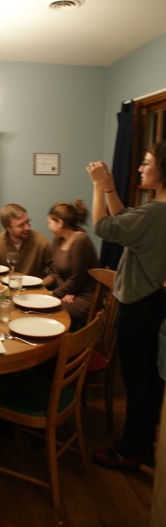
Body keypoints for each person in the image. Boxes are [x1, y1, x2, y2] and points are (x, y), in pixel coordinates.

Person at [86, 142, 166, 470]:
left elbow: (103, 227)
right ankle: (142, 443)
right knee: (150, 379)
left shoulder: (154, 211)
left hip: (139, 306)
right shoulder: (154, 210)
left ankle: (129, 451)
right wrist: (110, 188)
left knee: (137, 381)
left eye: (147, 163)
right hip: (156, 302)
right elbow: (122, 219)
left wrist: (97, 187)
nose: (141, 168)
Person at [45, 199, 99, 329]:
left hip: (86, 296)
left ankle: (63, 341)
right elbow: (57, 273)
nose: (48, 226)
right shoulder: (57, 240)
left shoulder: (81, 240)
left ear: (60, 223)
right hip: (70, 293)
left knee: (48, 310)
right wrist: (64, 293)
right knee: (44, 307)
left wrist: (54, 294)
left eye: (50, 222)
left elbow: (77, 279)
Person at [0, 203, 53, 285]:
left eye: (27, 222)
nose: (27, 227)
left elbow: (56, 272)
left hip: (34, 289)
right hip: (5, 288)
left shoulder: (41, 242)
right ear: (8, 228)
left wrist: (40, 286)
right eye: (21, 225)